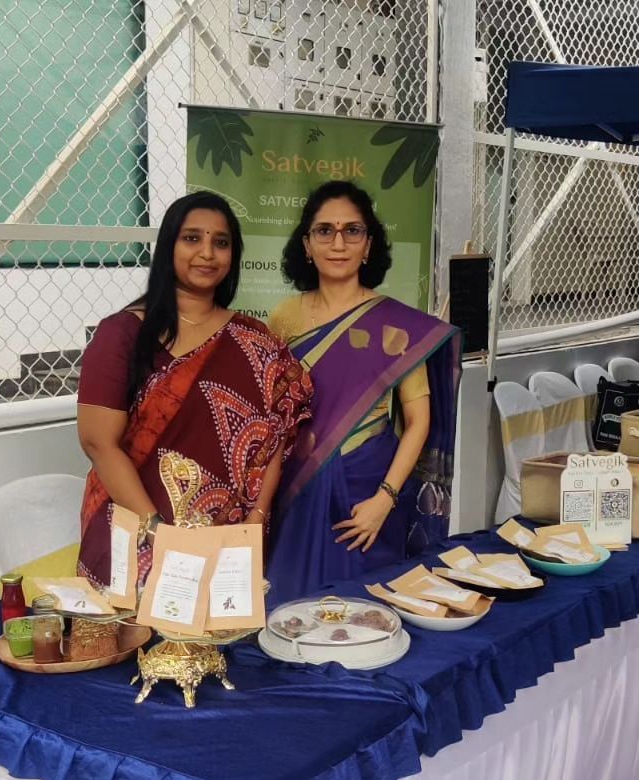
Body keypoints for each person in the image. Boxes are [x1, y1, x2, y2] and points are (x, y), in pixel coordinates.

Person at [76, 191, 312, 588]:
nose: (207, 253)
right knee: (138, 628)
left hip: (227, 549)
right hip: (135, 537)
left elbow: (278, 434)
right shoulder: (123, 334)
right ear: (169, 245)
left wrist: (255, 522)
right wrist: (158, 533)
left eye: (221, 242)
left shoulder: (256, 340)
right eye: (192, 238)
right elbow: (98, 442)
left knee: (223, 629)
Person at [267, 180, 461, 603]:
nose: (338, 243)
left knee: (366, 610)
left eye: (352, 231)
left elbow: (419, 421)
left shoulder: (398, 326)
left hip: (368, 490)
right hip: (298, 487)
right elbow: (274, 413)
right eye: (325, 230)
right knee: (290, 608)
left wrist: (384, 500)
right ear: (307, 244)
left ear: (368, 245)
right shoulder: (283, 319)